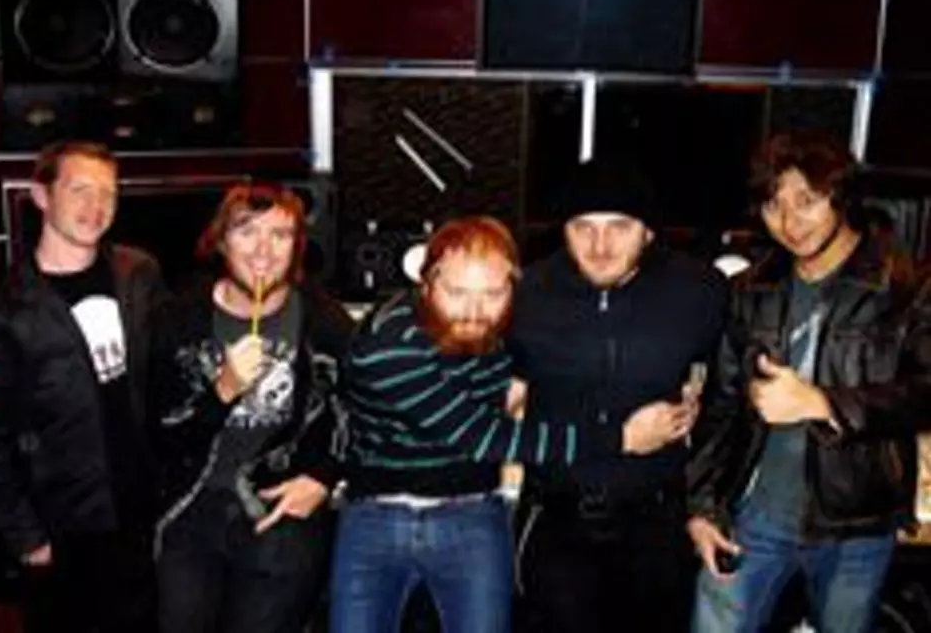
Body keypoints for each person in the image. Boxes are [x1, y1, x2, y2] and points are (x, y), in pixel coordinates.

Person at [331, 215, 674, 633]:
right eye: (457, 292)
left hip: (472, 508)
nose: (475, 312)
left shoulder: (509, 325)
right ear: (427, 284)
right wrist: (621, 437)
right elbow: (483, 437)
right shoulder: (386, 345)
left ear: (513, 287)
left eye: (492, 293)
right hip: (376, 517)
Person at [687, 132, 931, 632]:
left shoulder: (903, 287)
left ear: (841, 198)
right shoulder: (751, 290)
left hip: (858, 522)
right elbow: (722, 405)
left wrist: (825, 403)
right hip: (755, 516)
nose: (789, 221)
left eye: (807, 201)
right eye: (773, 205)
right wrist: (702, 506)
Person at [507, 158, 728, 632]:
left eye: (619, 227)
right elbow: (498, 398)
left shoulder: (701, 292)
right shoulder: (526, 294)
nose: (600, 246)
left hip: (658, 523)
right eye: (583, 227)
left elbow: (726, 406)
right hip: (556, 520)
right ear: (563, 230)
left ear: (648, 232)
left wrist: (705, 507)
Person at [0, 141, 163, 632]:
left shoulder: (138, 272)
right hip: (63, 525)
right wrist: (26, 536)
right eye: (79, 190)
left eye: (108, 193)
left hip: (141, 509)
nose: (96, 206)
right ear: (41, 195)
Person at [150, 182, 354, 633]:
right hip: (191, 506)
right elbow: (159, 437)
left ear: (297, 247)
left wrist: (323, 478)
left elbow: (358, 414)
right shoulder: (176, 320)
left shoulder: (325, 322)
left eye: (280, 235)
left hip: (279, 507)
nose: (264, 250)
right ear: (221, 241)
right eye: (247, 231)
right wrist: (221, 392)